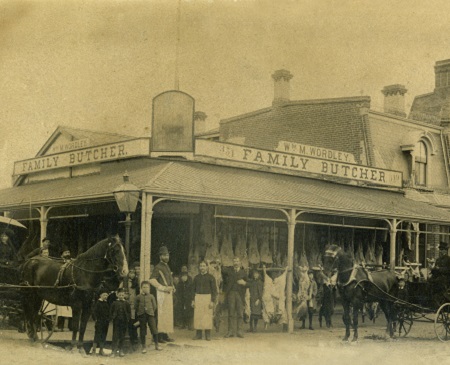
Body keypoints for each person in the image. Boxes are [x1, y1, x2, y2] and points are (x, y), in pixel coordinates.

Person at [149, 246, 175, 343]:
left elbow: (169, 279)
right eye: (164, 255)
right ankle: (158, 336)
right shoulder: (158, 267)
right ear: (160, 256)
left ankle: (165, 334)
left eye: (167, 255)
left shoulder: (166, 266)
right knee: (161, 314)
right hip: (161, 294)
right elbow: (152, 280)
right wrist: (163, 288)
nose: (166, 257)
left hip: (168, 292)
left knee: (167, 314)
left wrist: (172, 286)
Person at [192, 261, 218, 341]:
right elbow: (193, 290)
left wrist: (212, 301)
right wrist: (193, 300)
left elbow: (214, 291)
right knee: (198, 316)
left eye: (204, 266)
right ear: (199, 267)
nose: (202, 268)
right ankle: (198, 334)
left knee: (207, 316)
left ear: (207, 267)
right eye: (201, 266)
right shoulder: (196, 278)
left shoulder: (211, 277)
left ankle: (208, 334)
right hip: (198, 298)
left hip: (207, 298)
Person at [223, 257, 247, 338]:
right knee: (231, 313)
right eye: (234, 261)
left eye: (237, 261)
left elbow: (249, 283)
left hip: (240, 294)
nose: (236, 262)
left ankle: (239, 331)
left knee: (240, 313)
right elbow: (222, 271)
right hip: (231, 294)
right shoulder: (229, 271)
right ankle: (230, 331)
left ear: (240, 262)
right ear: (232, 263)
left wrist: (244, 283)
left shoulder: (243, 272)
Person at [135, 281, 161, 353]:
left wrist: (150, 311)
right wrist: (140, 312)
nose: (145, 288)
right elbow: (136, 306)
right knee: (143, 331)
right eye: (144, 287)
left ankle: (157, 345)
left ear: (149, 288)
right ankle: (143, 346)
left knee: (154, 329)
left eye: (147, 287)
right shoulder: (138, 297)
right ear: (141, 288)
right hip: (142, 315)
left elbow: (155, 306)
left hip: (150, 315)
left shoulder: (151, 296)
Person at [110, 288, 131, 357]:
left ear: (124, 295)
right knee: (115, 335)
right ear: (117, 295)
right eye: (120, 295)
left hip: (124, 321)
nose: (121, 296)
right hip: (116, 321)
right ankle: (113, 351)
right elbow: (111, 311)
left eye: (122, 295)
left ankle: (121, 350)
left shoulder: (126, 303)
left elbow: (129, 312)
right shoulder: (114, 303)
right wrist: (112, 317)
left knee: (122, 335)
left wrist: (128, 318)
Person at [91, 289, 110, 356]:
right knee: (97, 335)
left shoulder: (106, 303)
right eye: (104, 295)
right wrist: (96, 319)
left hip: (105, 322)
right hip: (99, 322)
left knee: (103, 335)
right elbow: (94, 312)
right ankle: (93, 350)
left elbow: (108, 312)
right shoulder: (98, 303)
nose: (105, 296)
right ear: (100, 295)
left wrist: (108, 319)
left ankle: (101, 350)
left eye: (106, 295)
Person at [247, 269, 263, 333]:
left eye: (256, 274)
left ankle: (255, 328)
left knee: (256, 315)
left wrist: (258, 299)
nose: (255, 275)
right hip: (251, 299)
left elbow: (261, 292)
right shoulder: (252, 281)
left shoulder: (260, 282)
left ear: (259, 275)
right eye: (254, 274)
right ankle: (251, 327)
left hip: (257, 299)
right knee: (251, 314)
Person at [127, 269, 140, 349]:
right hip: (127, 303)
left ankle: (134, 337)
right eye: (130, 273)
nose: (132, 275)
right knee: (129, 320)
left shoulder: (136, 282)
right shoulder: (124, 282)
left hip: (134, 304)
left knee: (134, 321)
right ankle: (129, 337)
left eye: (133, 273)